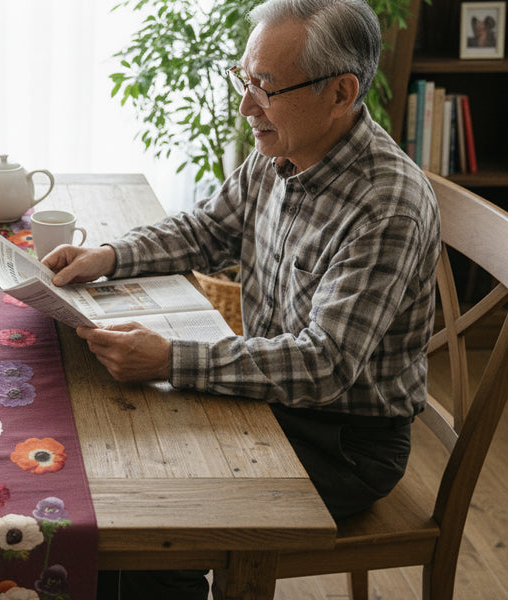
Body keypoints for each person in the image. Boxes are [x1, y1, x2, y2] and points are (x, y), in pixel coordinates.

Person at [43, 0, 440, 597]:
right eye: (245, 79)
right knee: (111, 465)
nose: (246, 105)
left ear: (341, 92)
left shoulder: (387, 207)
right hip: (271, 396)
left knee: (160, 520)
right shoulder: (280, 148)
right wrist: (110, 256)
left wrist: (169, 359)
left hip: (344, 438)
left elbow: (324, 364)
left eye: (267, 87)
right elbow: (206, 230)